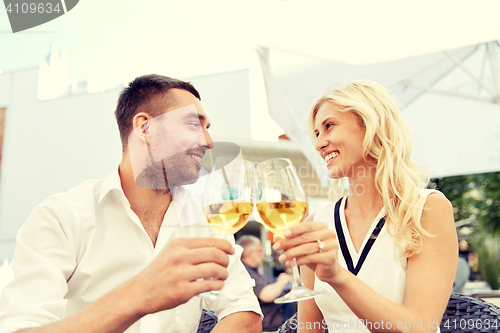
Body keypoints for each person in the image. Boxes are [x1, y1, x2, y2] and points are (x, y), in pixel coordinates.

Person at [0, 74, 262, 333]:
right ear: (146, 128)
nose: (208, 141)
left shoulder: (208, 217)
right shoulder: (61, 217)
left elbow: (245, 313)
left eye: (207, 128)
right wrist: (138, 295)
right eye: (194, 124)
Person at [273, 80, 458, 332]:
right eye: (316, 134)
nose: (318, 144)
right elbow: (309, 329)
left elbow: (420, 326)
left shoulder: (427, 209)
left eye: (329, 126)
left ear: (369, 125)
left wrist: (336, 275)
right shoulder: (316, 224)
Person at [237, 235, 295, 332]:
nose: (263, 254)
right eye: (260, 251)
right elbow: (267, 294)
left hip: (280, 312)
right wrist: (282, 280)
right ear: (251, 254)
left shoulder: (251, 270)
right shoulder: (244, 272)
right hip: (275, 318)